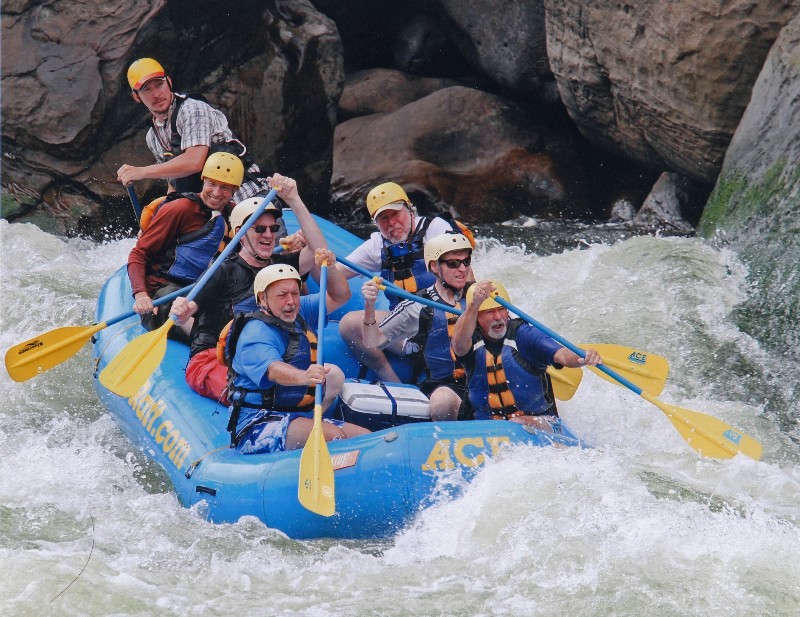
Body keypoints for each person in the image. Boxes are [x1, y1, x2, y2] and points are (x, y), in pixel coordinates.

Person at [170, 174, 324, 405]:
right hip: (214, 359)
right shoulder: (222, 272)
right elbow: (185, 312)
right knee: (261, 395)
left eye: (273, 229)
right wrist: (180, 309)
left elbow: (319, 251)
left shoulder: (281, 268)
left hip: (268, 354)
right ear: (240, 234)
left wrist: (294, 199)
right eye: (259, 229)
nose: (269, 235)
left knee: (303, 391)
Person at [225, 258, 370, 454]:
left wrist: (331, 266)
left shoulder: (300, 312)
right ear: (262, 298)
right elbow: (273, 371)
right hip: (256, 422)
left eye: (295, 293)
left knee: (366, 439)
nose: (291, 302)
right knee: (334, 438)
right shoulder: (255, 334)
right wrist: (304, 377)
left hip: (297, 414)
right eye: (282, 295)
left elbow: (340, 295)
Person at [338, 181, 474, 369]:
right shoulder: (377, 245)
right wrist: (323, 260)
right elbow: (332, 276)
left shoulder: (435, 229)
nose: (391, 222)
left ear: (410, 210)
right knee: (349, 324)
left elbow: (465, 276)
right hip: (405, 322)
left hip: (444, 316)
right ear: (376, 224)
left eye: (395, 213)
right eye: (383, 219)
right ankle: (395, 383)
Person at [451, 280, 602, 430]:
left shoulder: (523, 335)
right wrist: (474, 305)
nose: (498, 317)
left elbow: (562, 355)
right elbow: (458, 344)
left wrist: (583, 356)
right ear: (477, 317)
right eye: (490, 312)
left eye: (502, 309)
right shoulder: (471, 340)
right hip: (487, 426)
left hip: (541, 423)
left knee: (516, 424)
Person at [116, 57, 270, 203]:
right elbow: (174, 184)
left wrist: (141, 172)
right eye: (146, 90)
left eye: (159, 84)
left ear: (169, 82)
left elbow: (194, 162)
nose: (156, 94)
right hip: (211, 206)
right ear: (137, 97)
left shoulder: (192, 108)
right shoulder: (152, 137)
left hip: (245, 195)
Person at [355, 233, 474, 420]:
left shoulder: (481, 297)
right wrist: (369, 305)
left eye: (466, 262)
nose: (462, 269)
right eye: (453, 264)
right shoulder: (417, 305)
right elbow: (373, 342)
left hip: (483, 384)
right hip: (447, 387)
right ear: (434, 267)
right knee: (442, 400)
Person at [128, 151, 243, 341]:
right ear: (203, 181)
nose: (216, 192)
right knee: (176, 300)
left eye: (224, 187)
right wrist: (141, 295)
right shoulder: (180, 209)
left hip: (200, 292)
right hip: (163, 294)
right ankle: (210, 344)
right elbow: (139, 254)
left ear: (234, 191)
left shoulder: (235, 217)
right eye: (211, 184)